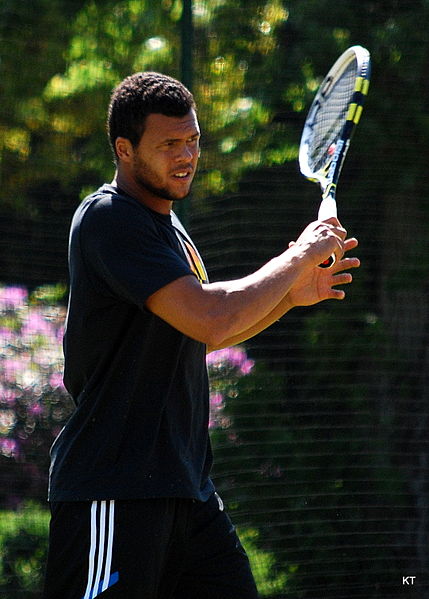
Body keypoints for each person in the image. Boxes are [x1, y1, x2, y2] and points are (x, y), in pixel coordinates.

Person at [43, 71, 360, 599]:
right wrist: (297, 256)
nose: (187, 154)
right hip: (114, 490)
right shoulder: (109, 218)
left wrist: (291, 295)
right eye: (169, 144)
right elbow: (210, 316)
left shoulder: (168, 227)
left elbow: (201, 337)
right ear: (124, 149)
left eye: (192, 140)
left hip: (186, 490)